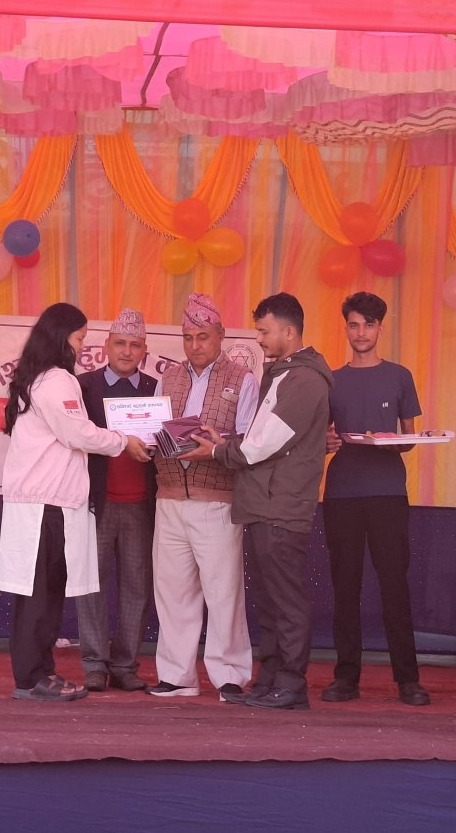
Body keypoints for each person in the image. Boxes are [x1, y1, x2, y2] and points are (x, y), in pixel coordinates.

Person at [0, 303, 151, 702]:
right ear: (60, 337)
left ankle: (39, 674)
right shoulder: (57, 380)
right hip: (45, 505)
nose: (83, 347)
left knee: (42, 593)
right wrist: (123, 441)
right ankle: (32, 678)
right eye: (80, 338)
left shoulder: (40, 377)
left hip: (43, 502)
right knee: (39, 595)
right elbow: (77, 433)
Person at [190, 292, 332, 710]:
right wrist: (225, 440)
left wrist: (218, 451)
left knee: (285, 600)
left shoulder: (304, 380)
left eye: (264, 331)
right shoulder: (284, 374)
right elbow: (258, 439)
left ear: (289, 331)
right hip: (264, 503)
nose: (259, 339)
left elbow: (263, 445)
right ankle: (270, 679)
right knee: (270, 601)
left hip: (281, 505)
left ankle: (291, 685)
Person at [321, 291, 430, 707]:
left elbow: (410, 438)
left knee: (394, 586)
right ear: (345, 328)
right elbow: (322, 437)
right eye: (354, 324)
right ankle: (346, 678)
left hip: (388, 492)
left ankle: (409, 680)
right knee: (345, 588)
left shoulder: (399, 376)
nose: (361, 332)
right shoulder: (331, 380)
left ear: (381, 328)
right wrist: (327, 442)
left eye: (368, 324)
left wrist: (394, 442)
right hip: (342, 494)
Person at [148, 292, 259, 700]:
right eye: (188, 337)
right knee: (173, 591)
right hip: (170, 497)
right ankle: (177, 675)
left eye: (203, 336)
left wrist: (216, 446)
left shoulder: (243, 379)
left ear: (221, 334)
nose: (195, 345)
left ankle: (230, 675)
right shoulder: (168, 378)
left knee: (223, 591)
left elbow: (251, 441)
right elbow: (156, 430)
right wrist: (143, 441)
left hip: (217, 499)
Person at [75, 308, 157, 692]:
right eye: (120, 343)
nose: (127, 351)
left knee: (137, 586)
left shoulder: (157, 388)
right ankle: (94, 664)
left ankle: (125, 665)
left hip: (142, 503)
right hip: (96, 502)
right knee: (91, 584)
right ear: (106, 346)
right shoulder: (83, 386)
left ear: (145, 350)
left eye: (135, 345)